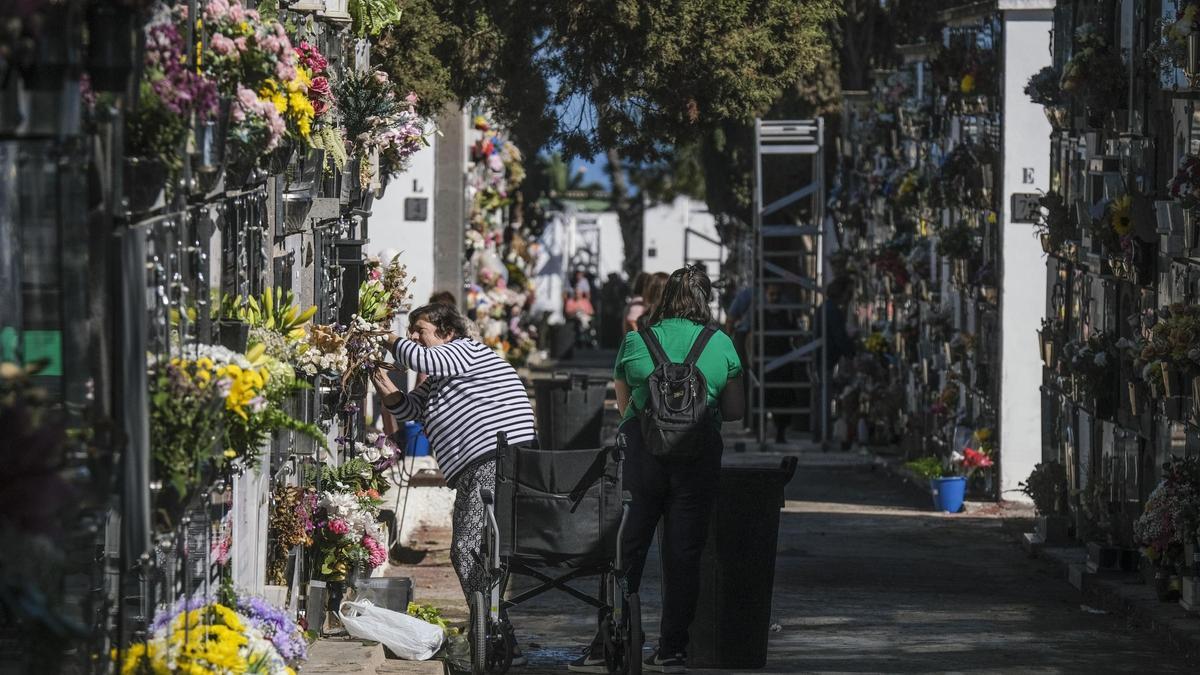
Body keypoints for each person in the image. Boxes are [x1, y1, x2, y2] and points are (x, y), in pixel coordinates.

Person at [569, 265, 744, 674]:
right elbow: (735, 411)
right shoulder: (722, 344)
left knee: (625, 550)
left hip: (642, 459)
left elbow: (623, 404)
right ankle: (673, 649)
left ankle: (609, 640)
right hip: (698, 459)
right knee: (684, 555)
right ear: (706, 300)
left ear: (663, 298)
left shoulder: (636, 340)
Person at [371, 302, 536, 664]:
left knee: (466, 549)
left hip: (493, 461)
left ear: (447, 333)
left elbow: (421, 360)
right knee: (473, 550)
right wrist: (384, 385)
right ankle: (494, 629)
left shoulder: (463, 350)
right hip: (480, 466)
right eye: (411, 330)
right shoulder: (445, 374)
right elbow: (413, 409)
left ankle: (496, 634)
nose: (414, 337)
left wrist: (385, 336)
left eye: (421, 331)